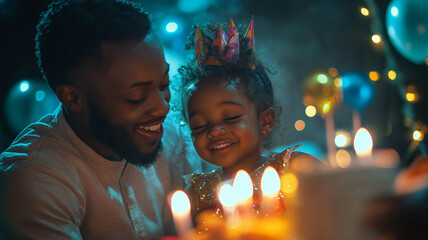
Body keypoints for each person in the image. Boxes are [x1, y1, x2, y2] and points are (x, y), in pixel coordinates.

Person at [0, 0, 202, 239]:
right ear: (73, 98)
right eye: (137, 98)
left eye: (164, 85)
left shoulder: (172, 132)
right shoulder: (33, 181)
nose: (162, 107)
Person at [176, 19, 325, 218]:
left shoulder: (299, 170)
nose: (215, 131)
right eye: (199, 126)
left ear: (266, 120)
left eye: (231, 117)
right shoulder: (195, 197)